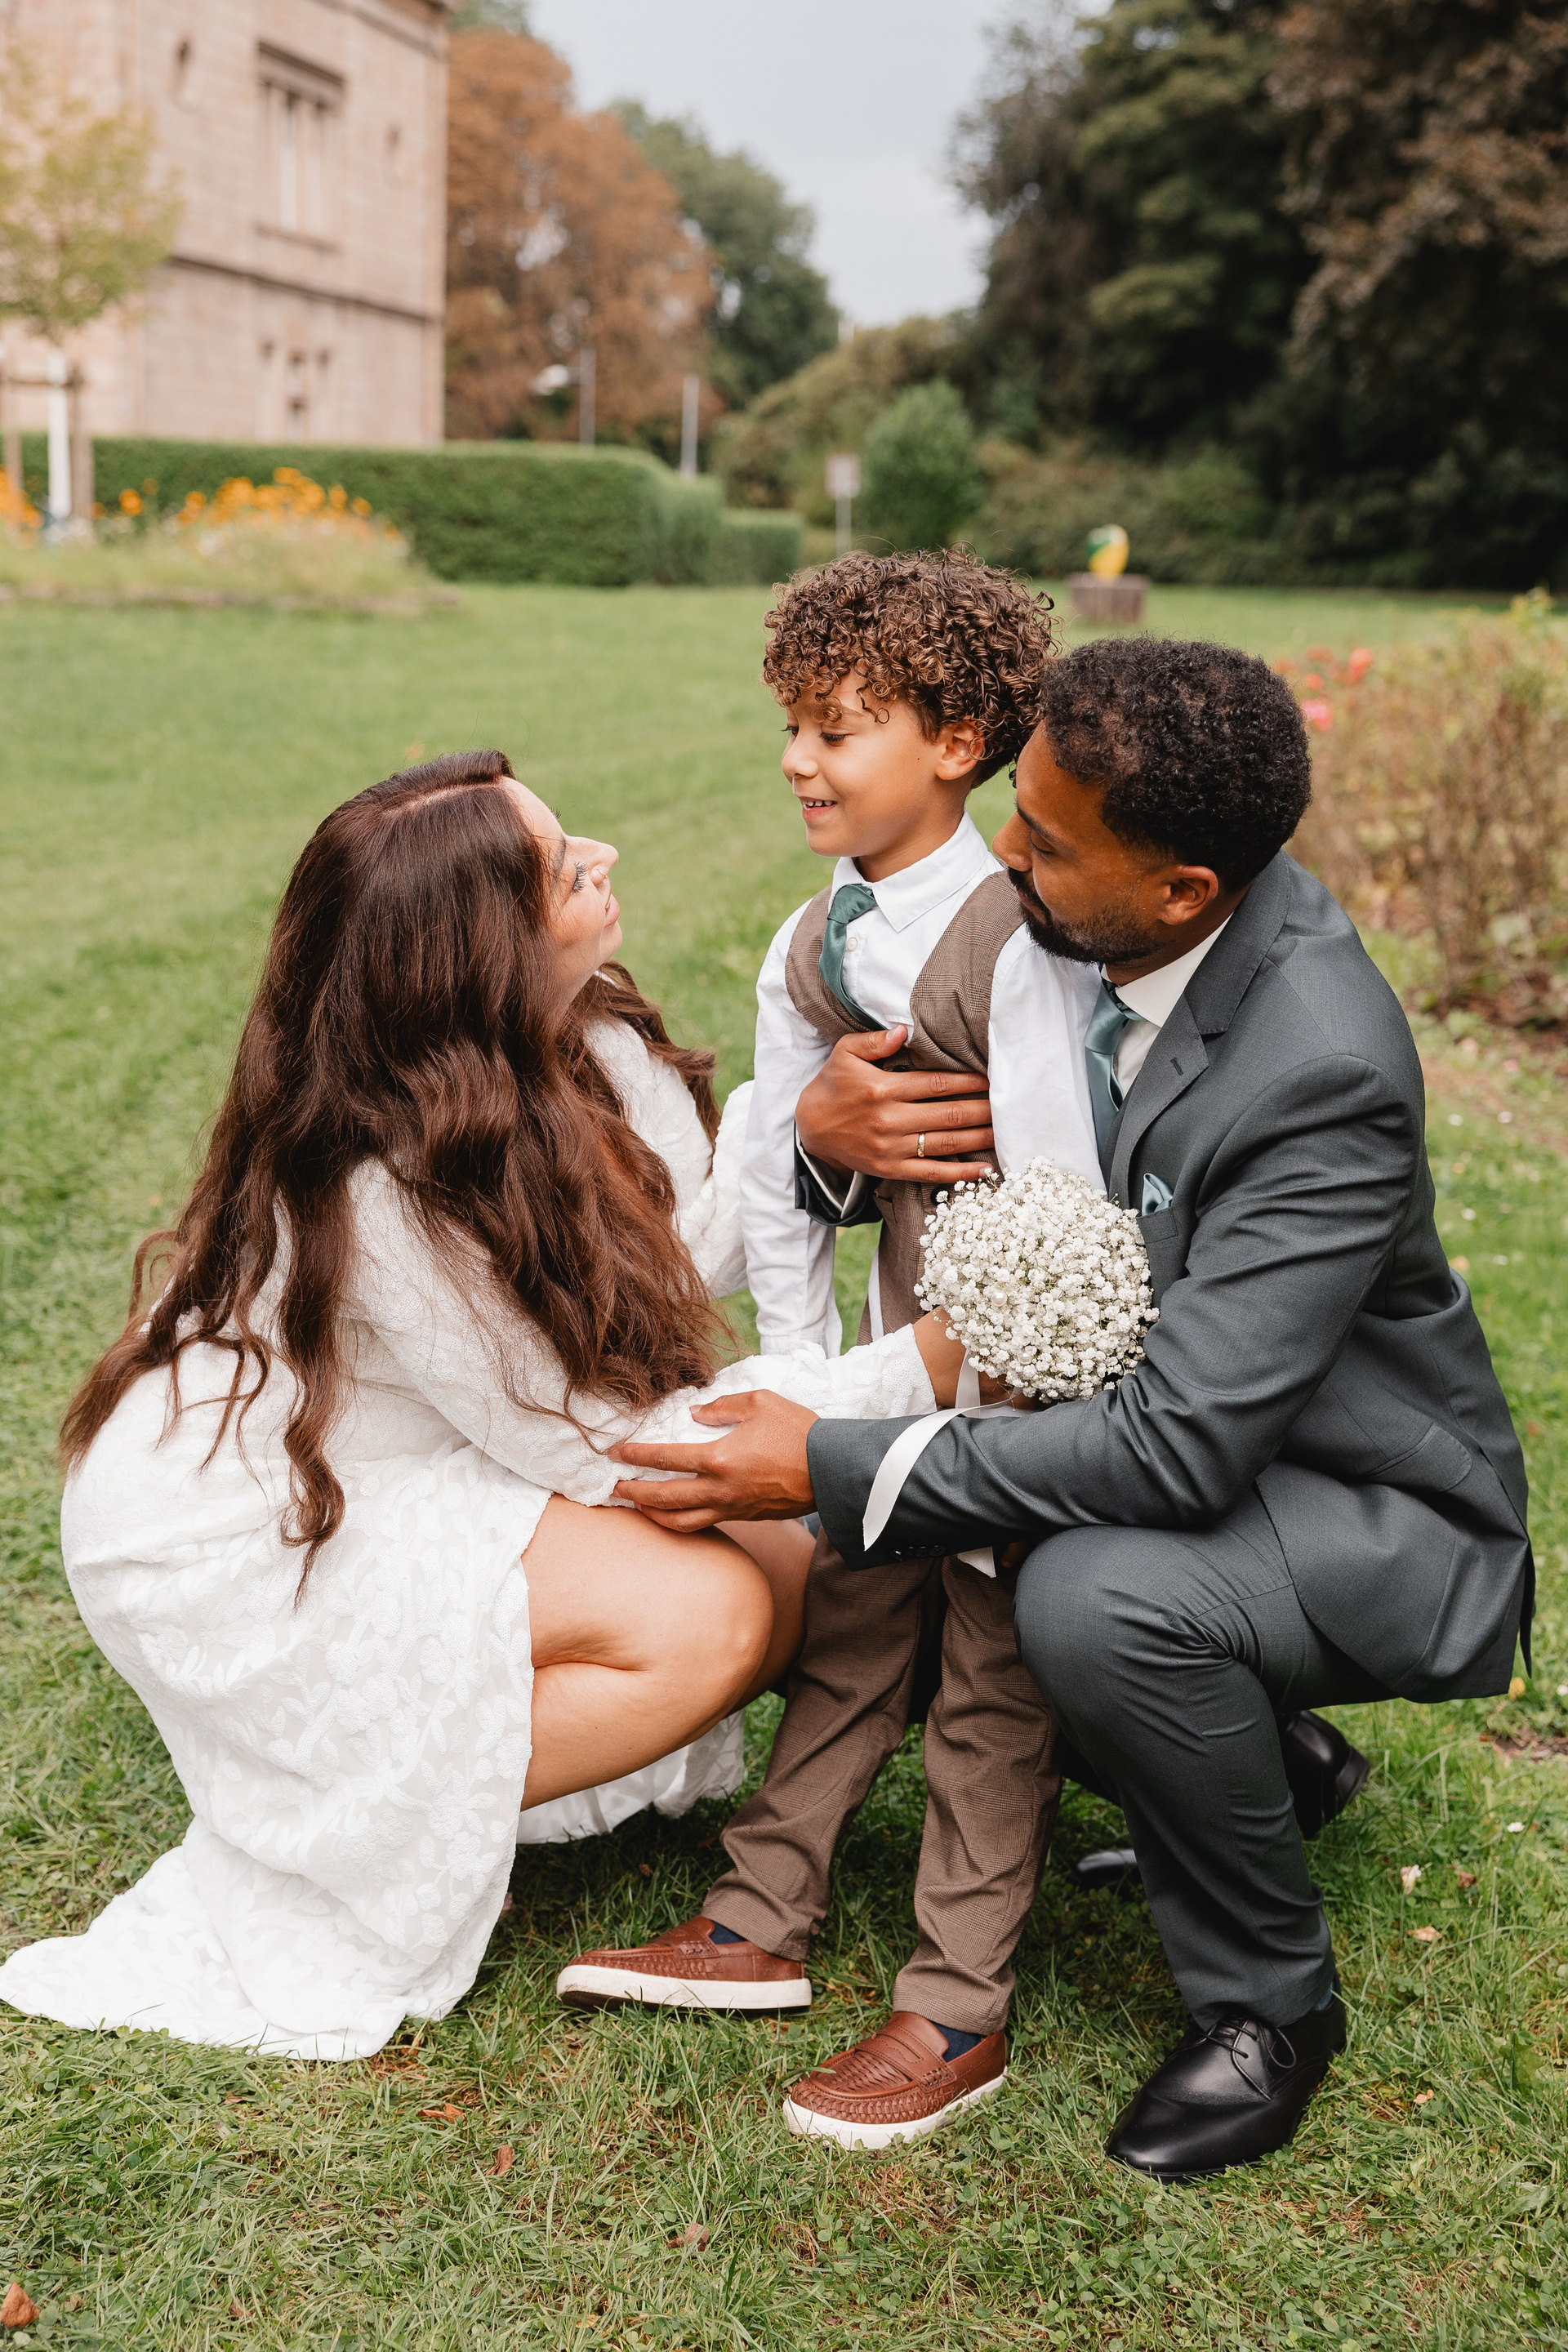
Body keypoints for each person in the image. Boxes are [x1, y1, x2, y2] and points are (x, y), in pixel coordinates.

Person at [606, 638, 1534, 2182]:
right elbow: (948, 1115)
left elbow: (1179, 1443)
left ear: (1181, 891)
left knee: (1090, 1598)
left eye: (1040, 841)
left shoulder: (1321, 1070)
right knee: (980, 1573)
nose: (1003, 857)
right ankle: (1264, 1763)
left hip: (1356, 1500)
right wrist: (825, 1136)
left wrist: (832, 1463)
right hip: (1184, 1428)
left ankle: (1272, 2008)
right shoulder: (1097, 929)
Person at [0, 752, 973, 2062]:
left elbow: (663, 1261)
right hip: (242, 1515)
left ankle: (441, 1755)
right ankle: (371, 1825)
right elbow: (606, 1450)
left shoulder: (588, 1036)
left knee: (802, 1572)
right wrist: (923, 1365)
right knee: (711, 1616)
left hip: (450, 1438)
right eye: (565, 870)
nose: (604, 859)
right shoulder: (377, 1177)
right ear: (479, 953)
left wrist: (798, 1135)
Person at [557, 554, 1102, 2151]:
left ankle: (955, 2005)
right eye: (790, 725)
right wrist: (803, 1372)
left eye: (838, 729)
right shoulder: (809, 942)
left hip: (1018, 1373)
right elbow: (782, 1177)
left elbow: (1064, 1206)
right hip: (877, 1367)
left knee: (990, 1673)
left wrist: (903, 1390)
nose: (798, 759)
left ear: (958, 743)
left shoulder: (1023, 942)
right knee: (858, 1617)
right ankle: (758, 1919)